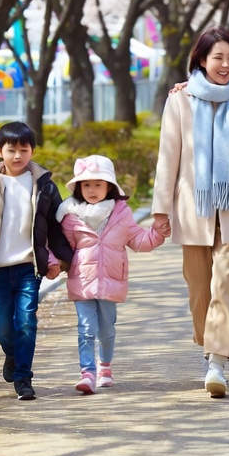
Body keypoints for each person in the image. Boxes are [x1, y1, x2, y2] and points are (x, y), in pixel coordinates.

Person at [152, 26, 229, 398]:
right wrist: (160, 210)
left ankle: (217, 363)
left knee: (224, 287)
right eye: (218, 57)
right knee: (199, 290)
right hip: (194, 208)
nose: (225, 64)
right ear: (201, 61)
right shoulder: (180, 100)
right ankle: (210, 347)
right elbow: (168, 156)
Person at [0, 121, 73, 402]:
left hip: (28, 268)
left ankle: (23, 378)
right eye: (11, 150)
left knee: (27, 322)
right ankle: (13, 354)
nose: (18, 156)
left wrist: (61, 260)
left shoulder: (45, 187)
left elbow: (56, 227)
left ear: (32, 151)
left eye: (24, 149)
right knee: (2, 325)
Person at [58, 154, 168, 394]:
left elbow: (139, 240)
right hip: (82, 281)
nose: (92, 189)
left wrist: (157, 233)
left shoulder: (121, 213)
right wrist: (51, 262)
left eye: (98, 184)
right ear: (78, 187)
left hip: (111, 282)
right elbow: (61, 248)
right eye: (86, 184)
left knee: (106, 329)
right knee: (86, 328)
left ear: (109, 186)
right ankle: (87, 373)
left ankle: (104, 367)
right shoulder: (69, 217)